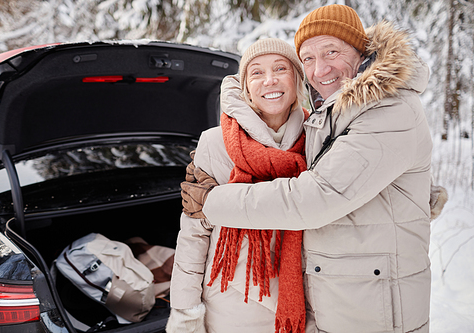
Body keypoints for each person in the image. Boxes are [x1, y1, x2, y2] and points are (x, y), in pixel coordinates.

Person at [181, 4, 448, 333]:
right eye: (308, 58)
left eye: (331, 51)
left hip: (374, 309)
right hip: (335, 302)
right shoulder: (331, 117)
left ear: (360, 51)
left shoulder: (386, 108)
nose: (320, 70)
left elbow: (315, 198)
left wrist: (212, 202)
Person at [167, 38, 310, 333]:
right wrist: (185, 311)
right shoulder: (216, 142)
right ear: (245, 87)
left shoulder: (317, 139)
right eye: (256, 72)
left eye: (280, 68)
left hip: (301, 301)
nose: (269, 80)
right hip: (231, 301)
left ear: (297, 79)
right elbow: (194, 232)